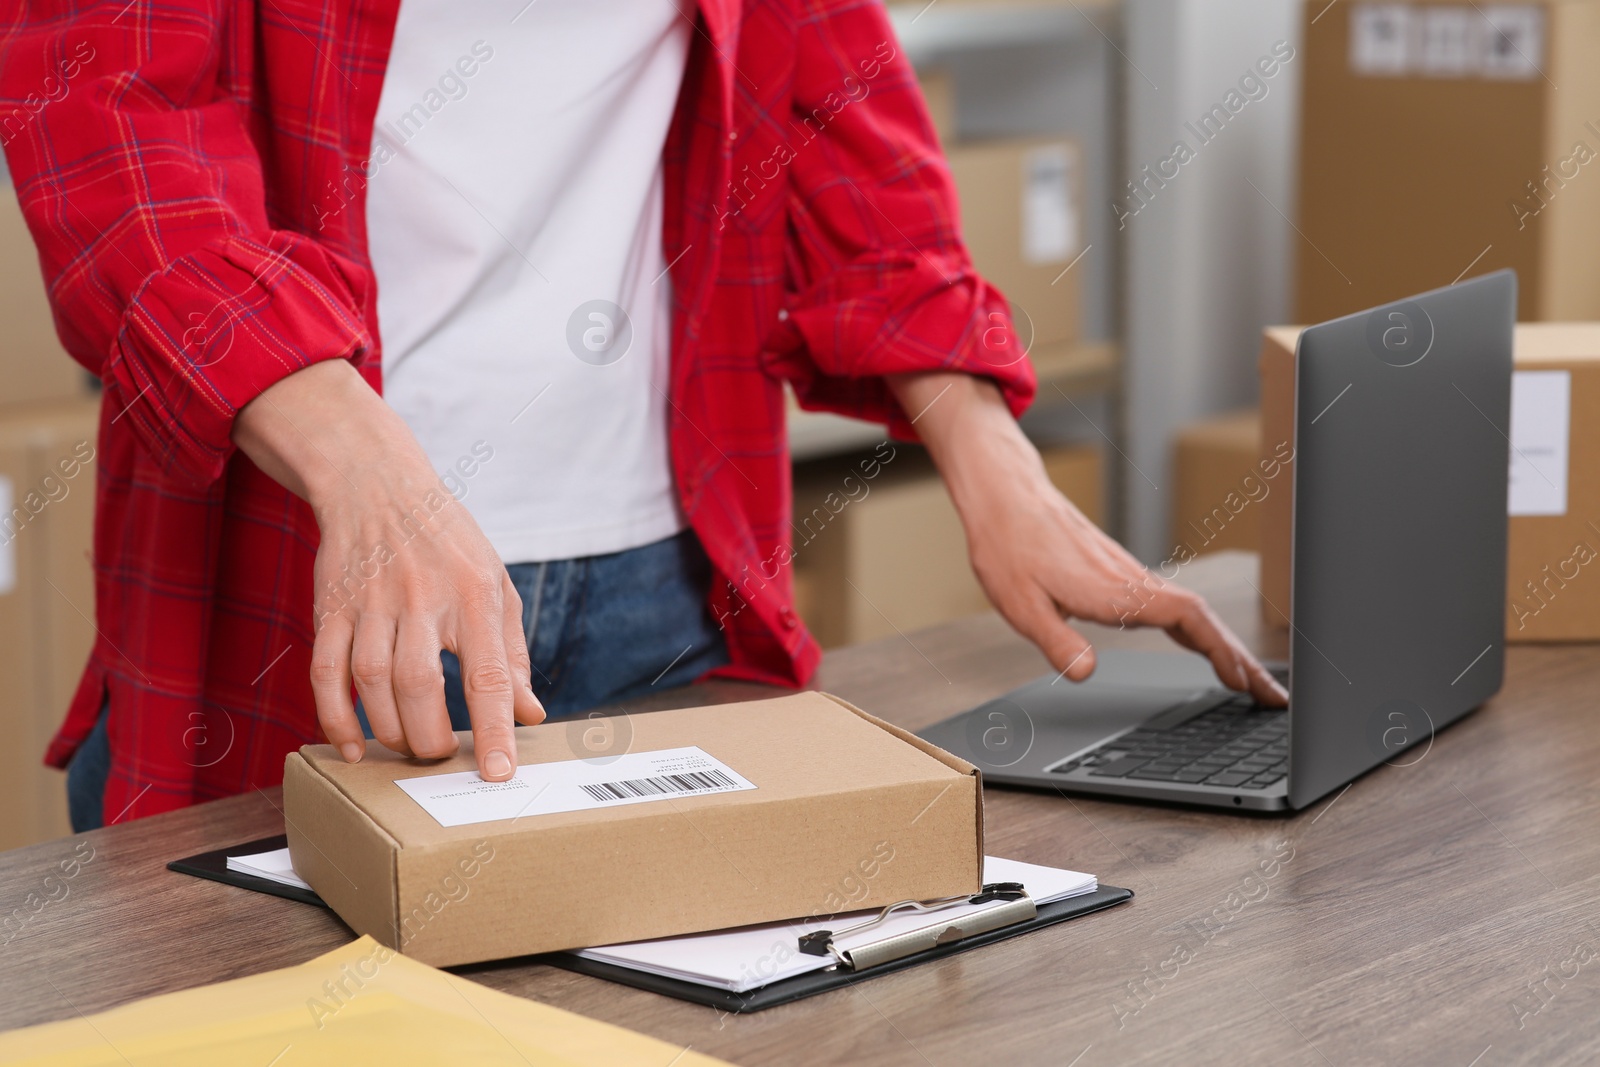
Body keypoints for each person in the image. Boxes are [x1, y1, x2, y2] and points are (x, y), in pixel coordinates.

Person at [0, 0, 1285, 832]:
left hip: (663, 594)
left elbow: (839, 110)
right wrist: (374, 477)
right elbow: (109, 130)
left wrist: (985, 445)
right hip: (313, 597)